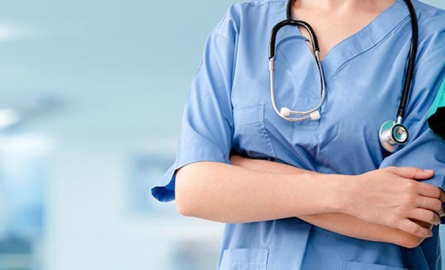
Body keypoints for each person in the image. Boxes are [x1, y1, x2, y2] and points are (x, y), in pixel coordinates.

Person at [152, 0, 445, 269]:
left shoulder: (435, 37)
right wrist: (351, 195)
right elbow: (195, 191)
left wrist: (241, 174)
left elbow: (409, 220)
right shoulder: (243, 23)